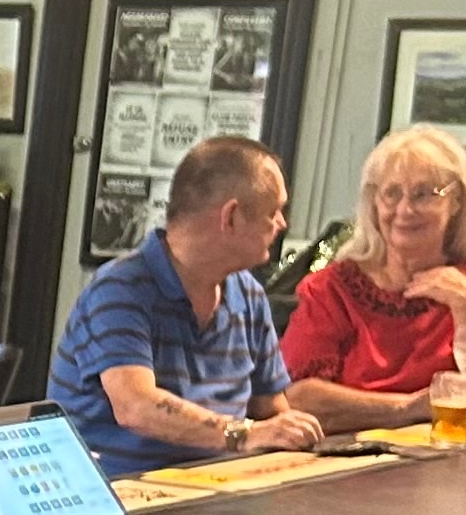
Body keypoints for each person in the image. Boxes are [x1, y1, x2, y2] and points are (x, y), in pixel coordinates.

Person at [48, 136, 326, 475]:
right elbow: (136, 407)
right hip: (118, 497)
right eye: (274, 211)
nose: (282, 224)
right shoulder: (120, 289)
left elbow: (272, 412)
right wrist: (241, 434)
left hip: (217, 495)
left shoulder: (249, 296)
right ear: (232, 217)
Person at [278, 128, 466, 436]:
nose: (405, 210)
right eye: (392, 193)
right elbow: (297, 398)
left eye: (424, 194)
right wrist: (408, 408)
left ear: (456, 202)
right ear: (374, 203)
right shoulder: (330, 289)